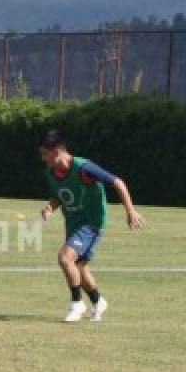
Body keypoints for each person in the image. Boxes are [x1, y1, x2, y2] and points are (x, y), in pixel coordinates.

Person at [38, 129, 144, 322]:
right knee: (78, 267)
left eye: (44, 153)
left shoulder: (84, 167)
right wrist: (50, 207)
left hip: (92, 224)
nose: (43, 158)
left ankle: (77, 304)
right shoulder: (51, 173)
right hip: (73, 224)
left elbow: (118, 182)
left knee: (64, 258)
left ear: (56, 151)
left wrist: (130, 211)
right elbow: (59, 196)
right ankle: (98, 301)